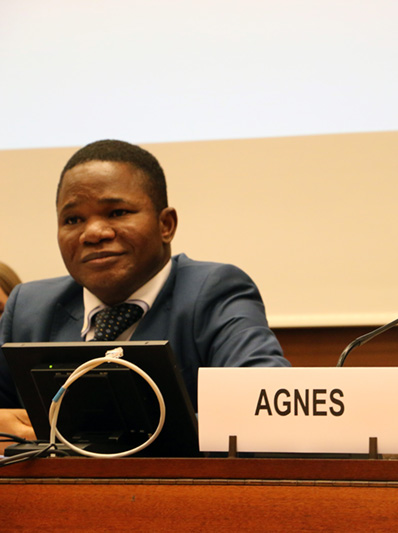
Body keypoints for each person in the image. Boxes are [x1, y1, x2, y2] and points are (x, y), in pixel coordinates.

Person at [0, 140, 288, 446]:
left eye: (117, 212)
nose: (94, 232)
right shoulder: (29, 307)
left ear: (166, 225)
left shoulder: (214, 291)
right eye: (73, 220)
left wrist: (105, 432)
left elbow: (267, 409)